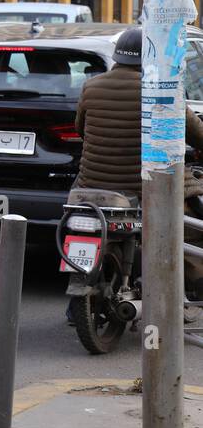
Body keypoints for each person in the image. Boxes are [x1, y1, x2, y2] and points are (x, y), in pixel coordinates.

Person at [72, 26, 203, 320]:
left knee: (75, 225)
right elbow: (196, 134)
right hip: (145, 187)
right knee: (191, 217)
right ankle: (190, 285)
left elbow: (80, 129)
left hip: (93, 185)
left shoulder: (91, 87)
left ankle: (74, 302)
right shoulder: (162, 91)